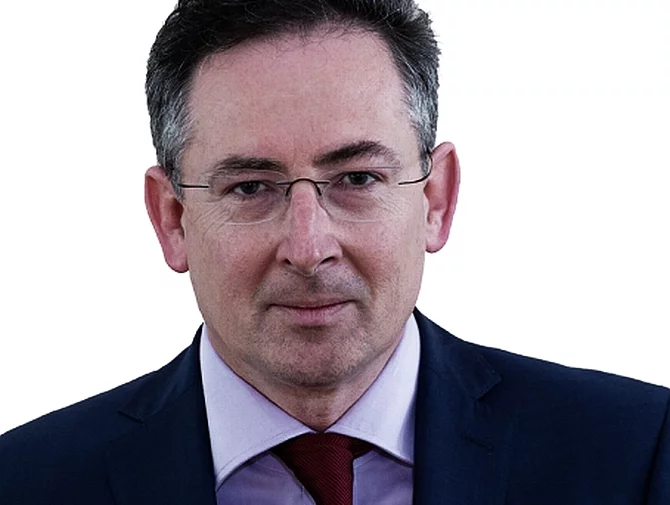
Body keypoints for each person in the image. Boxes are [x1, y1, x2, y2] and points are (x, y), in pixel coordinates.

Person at [0, 0, 667, 503]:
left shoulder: (634, 454)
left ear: (435, 199)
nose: (309, 247)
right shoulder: (24, 481)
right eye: (251, 186)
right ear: (172, 219)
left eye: (356, 179)